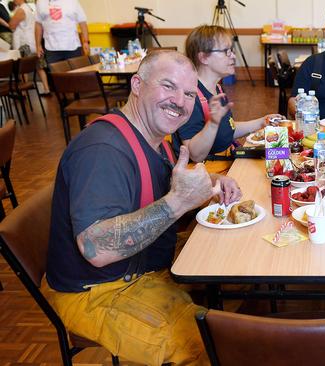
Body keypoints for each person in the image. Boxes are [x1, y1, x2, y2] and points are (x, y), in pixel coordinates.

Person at [44, 51, 242, 364]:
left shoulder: (155, 136)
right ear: (137, 84)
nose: (179, 101)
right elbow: (96, 249)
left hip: (146, 264)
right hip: (102, 291)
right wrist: (179, 202)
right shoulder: (102, 151)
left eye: (189, 94)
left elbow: (162, 187)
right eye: (168, 86)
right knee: (213, 347)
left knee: (237, 265)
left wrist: (212, 183)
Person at [174, 24, 282, 173]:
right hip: (210, 175)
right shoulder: (189, 97)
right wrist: (212, 123)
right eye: (226, 51)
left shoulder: (216, 88)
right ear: (203, 57)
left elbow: (226, 128)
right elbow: (195, 154)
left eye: (231, 50)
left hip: (227, 164)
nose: (233, 55)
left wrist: (260, 122)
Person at [8, 0, 50, 94]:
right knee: (40, 67)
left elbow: (11, 25)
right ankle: (47, 89)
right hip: (34, 41)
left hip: (24, 43)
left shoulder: (21, 10)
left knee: (22, 69)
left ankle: (24, 91)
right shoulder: (29, 8)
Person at [34, 0, 89, 65]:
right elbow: (38, 24)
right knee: (55, 74)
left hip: (72, 47)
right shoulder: (41, 2)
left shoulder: (73, 2)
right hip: (51, 49)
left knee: (75, 74)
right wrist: (38, 46)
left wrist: (86, 41)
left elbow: (82, 22)